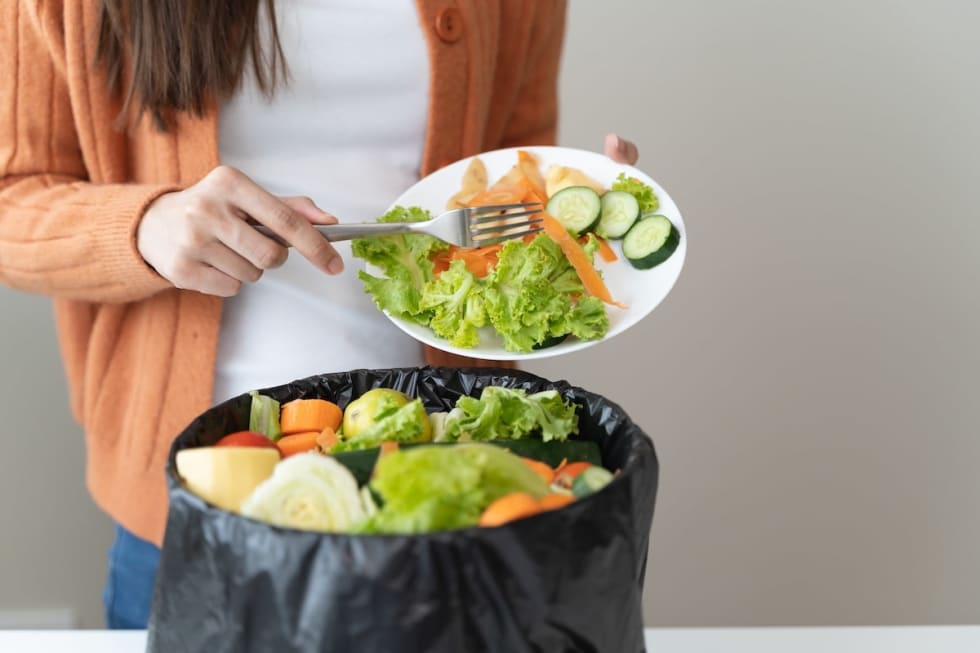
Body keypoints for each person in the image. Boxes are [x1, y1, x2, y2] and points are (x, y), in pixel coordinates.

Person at [0, 0, 640, 629]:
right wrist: (143, 227)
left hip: (443, 473)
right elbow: (12, 197)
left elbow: (508, 182)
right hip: (204, 491)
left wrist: (583, 213)